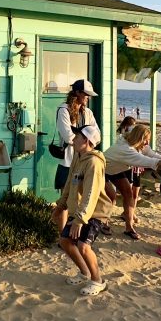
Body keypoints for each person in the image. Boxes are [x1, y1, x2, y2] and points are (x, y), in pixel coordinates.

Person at [51, 124, 111, 296]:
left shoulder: (93, 162)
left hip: (95, 212)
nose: (73, 140)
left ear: (86, 141)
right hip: (80, 211)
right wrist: (61, 205)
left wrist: (80, 219)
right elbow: (70, 182)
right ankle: (84, 273)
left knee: (83, 246)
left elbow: (91, 194)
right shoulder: (79, 157)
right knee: (65, 241)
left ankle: (98, 281)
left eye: (77, 137)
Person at [103, 120, 161, 240]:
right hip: (102, 170)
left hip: (115, 170)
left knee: (128, 195)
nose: (147, 143)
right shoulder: (125, 148)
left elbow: (153, 155)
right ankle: (103, 223)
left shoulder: (139, 146)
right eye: (145, 140)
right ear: (138, 138)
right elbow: (145, 161)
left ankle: (129, 227)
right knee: (111, 197)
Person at [53, 79, 99, 231]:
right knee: (65, 198)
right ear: (78, 93)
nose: (88, 98)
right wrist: (87, 142)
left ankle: (74, 229)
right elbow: (68, 136)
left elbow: (97, 135)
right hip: (68, 160)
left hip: (84, 160)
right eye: (86, 94)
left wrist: (84, 143)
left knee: (81, 196)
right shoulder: (63, 110)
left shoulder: (88, 112)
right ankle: (62, 233)